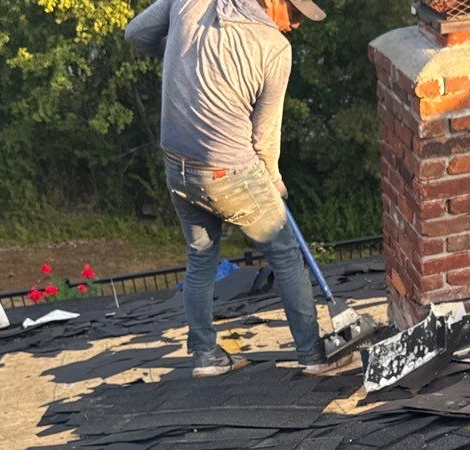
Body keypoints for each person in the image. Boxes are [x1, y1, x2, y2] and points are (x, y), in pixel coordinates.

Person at [126, 0, 357, 378]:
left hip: (178, 167)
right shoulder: (274, 47)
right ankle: (313, 354)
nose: (296, 25)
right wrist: (274, 180)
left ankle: (205, 356)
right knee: (285, 254)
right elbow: (265, 136)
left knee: (201, 258)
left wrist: (181, 55)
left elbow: (135, 33)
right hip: (228, 171)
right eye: (295, 14)